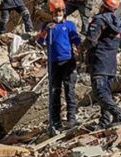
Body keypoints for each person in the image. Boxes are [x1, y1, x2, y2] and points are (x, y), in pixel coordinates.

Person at [37, 0, 82, 136]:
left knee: (69, 90)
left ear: (64, 12)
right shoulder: (47, 26)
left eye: (60, 12)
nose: (58, 14)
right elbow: (39, 41)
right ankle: (55, 122)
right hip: (53, 63)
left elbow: (77, 41)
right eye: (56, 12)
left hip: (67, 62)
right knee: (55, 92)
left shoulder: (69, 25)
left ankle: (71, 120)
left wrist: (82, 51)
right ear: (52, 13)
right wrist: (45, 31)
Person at [81, 0, 121, 131]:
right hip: (111, 64)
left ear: (103, 6)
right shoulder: (118, 23)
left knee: (100, 93)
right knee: (106, 93)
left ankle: (119, 115)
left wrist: (81, 48)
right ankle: (104, 121)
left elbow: (91, 40)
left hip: (99, 62)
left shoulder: (99, 20)